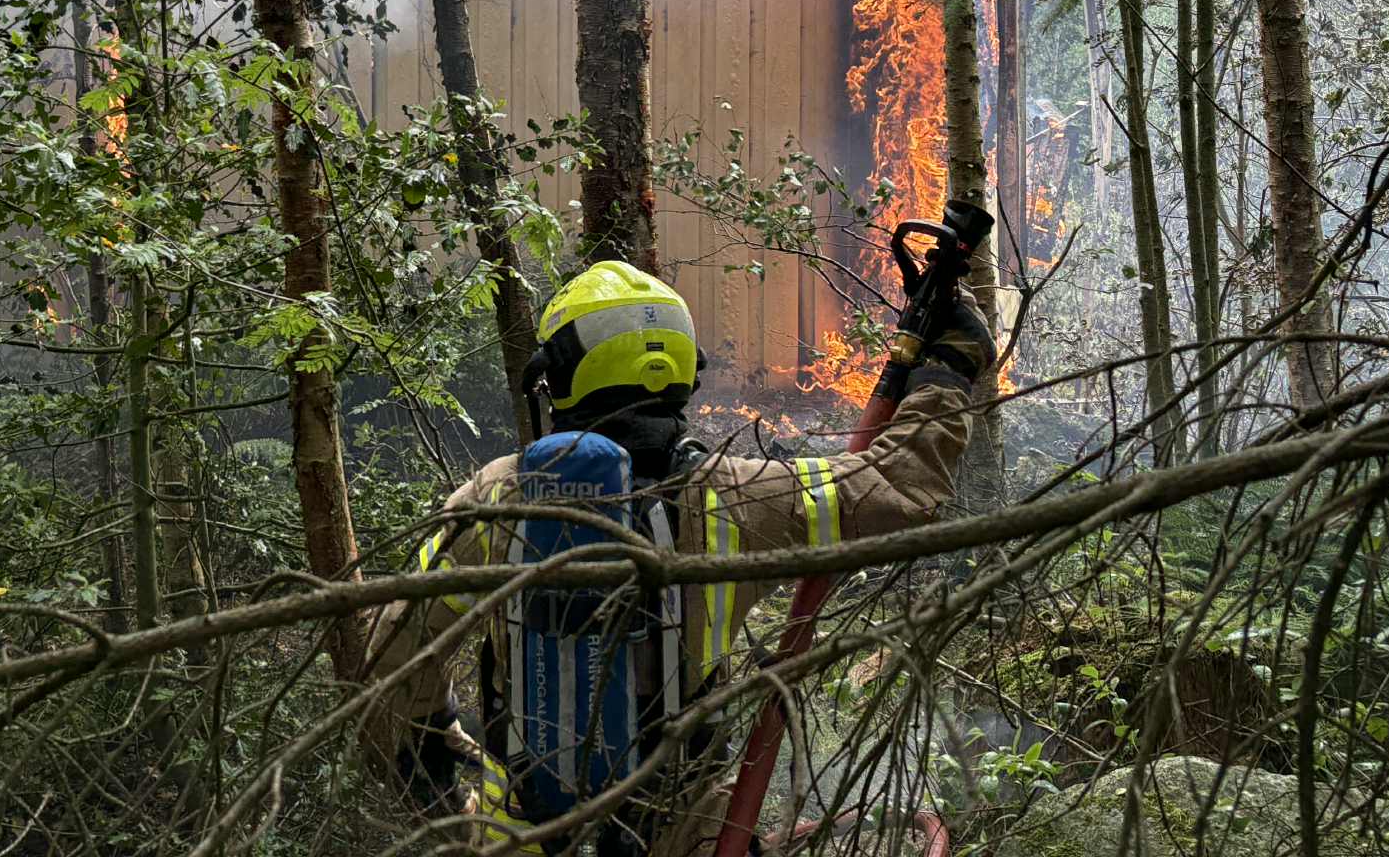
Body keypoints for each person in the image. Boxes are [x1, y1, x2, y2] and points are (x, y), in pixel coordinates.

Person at [360, 258, 993, 855]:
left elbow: (393, 655)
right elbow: (896, 484)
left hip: (520, 831)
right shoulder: (735, 495)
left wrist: (449, 785)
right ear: (685, 373)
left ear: (563, 378)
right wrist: (946, 368)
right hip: (689, 828)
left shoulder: (498, 496)